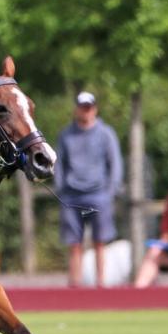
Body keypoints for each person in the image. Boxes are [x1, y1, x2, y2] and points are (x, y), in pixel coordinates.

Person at [54, 91, 124, 287]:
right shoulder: (66, 135)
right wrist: (61, 189)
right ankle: (74, 285)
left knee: (100, 242)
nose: (85, 112)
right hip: (71, 194)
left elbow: (115, 164)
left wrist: (111, 191)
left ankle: (100, 284)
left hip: (99, 194)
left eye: (89, 108)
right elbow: (59, 164)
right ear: (76, 109)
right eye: (82, 107)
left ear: (95, 109)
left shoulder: (106, 134)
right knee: (74, 244)